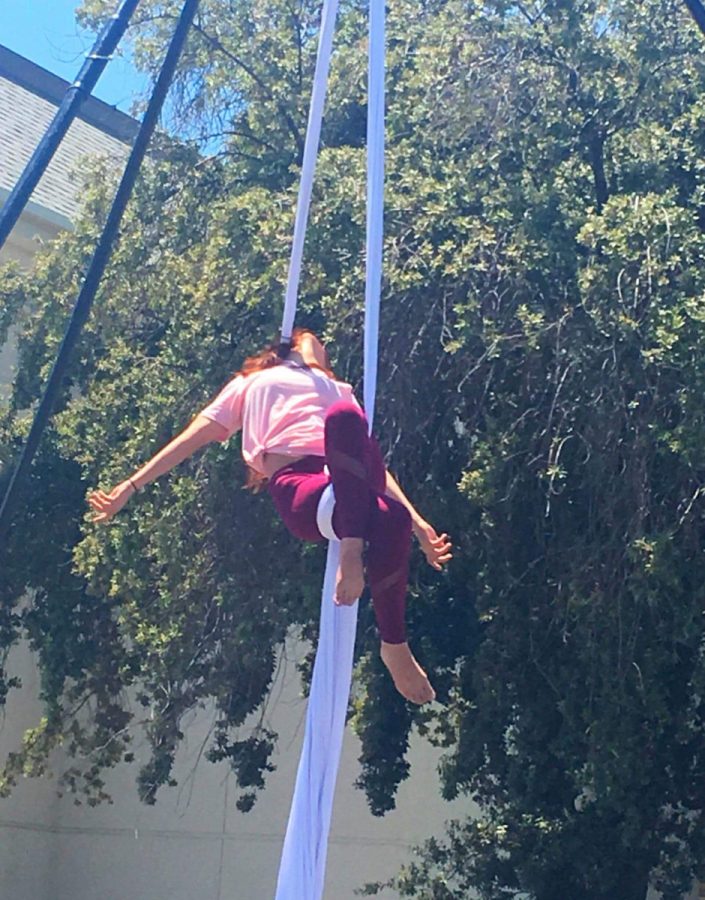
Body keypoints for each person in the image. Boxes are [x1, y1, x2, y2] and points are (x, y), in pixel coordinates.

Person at [88, 329, 452, 705]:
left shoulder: (337, 388)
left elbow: (370, 464)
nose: (322, 345)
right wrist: (131, 485)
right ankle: (355, 555)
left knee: (387, 502)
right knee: (347, 423)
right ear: (290, 344)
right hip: (304, 486)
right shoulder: (251, 383)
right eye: (314, 339)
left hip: (350, 483)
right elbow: (191, 438)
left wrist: (420, 527)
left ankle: (392, 643)